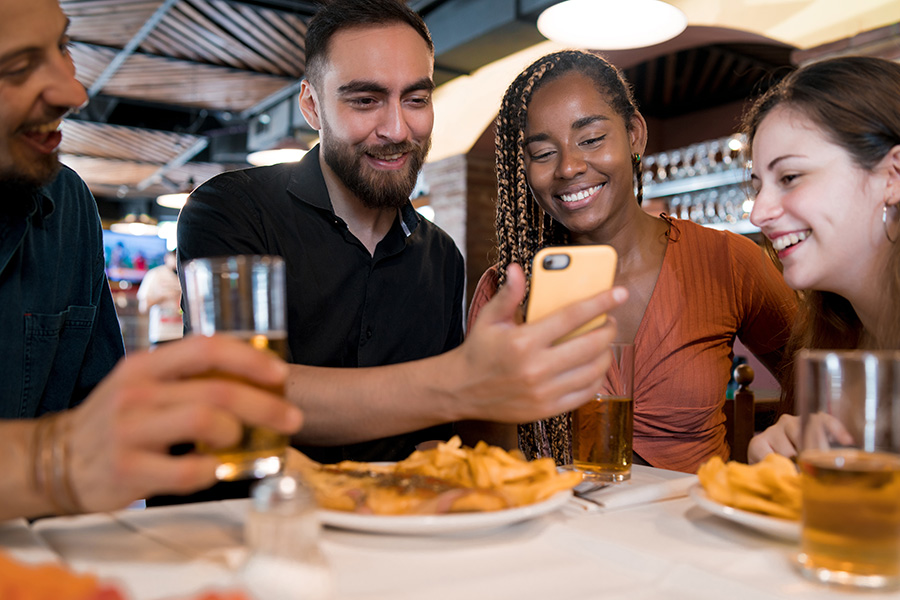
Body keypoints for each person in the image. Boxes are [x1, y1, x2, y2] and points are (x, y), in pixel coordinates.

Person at [177, 0, 627, 466]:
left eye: (416, 99)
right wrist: (461, 381)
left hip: (396, 525)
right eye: (366, 101)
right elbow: (240, 397)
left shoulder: (441, 256)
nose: (396, 129)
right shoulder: (231, 209)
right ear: (312, 105)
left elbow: (431, 443)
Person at [0, 0, 303, 520]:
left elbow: (95, 415)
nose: (75, 92)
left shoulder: (67, 204)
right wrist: (50, 461)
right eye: (17, 67)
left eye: (63, 47)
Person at [467, 50, 798, 473]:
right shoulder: (506, 292)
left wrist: (785, 454)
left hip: (690, 534)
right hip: (558, 533)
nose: (568, 167)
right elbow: (488, 462)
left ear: (635, 135)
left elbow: (810, 368)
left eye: (591, 139)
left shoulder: (726, 260)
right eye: (543, 153)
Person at [742, 56, 900, 462]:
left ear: (893, 176)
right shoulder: (839, 335)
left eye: (790, 177)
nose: (758, 213)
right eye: (758, 186)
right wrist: (787, 463)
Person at [136, 250, 184, 346]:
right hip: (162, 334)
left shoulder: (187, 273)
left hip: (183, 334)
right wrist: (163, 297)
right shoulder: (155, 274)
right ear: (167, 258)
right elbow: (143, 307)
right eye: (174, 257)